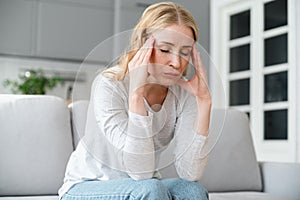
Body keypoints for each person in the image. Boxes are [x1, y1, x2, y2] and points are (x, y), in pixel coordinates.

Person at [59, 2, 211, 200]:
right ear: (142, 46)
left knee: (192, 191)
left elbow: (190, 173)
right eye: (165, 50)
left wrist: (204, 101)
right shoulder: (110, 84)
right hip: (88, 184)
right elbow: (141, 173)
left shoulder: (183, 94)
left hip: (143, 183)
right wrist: (136, 95)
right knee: (151, 189)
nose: (177, 63)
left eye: (184, 52)